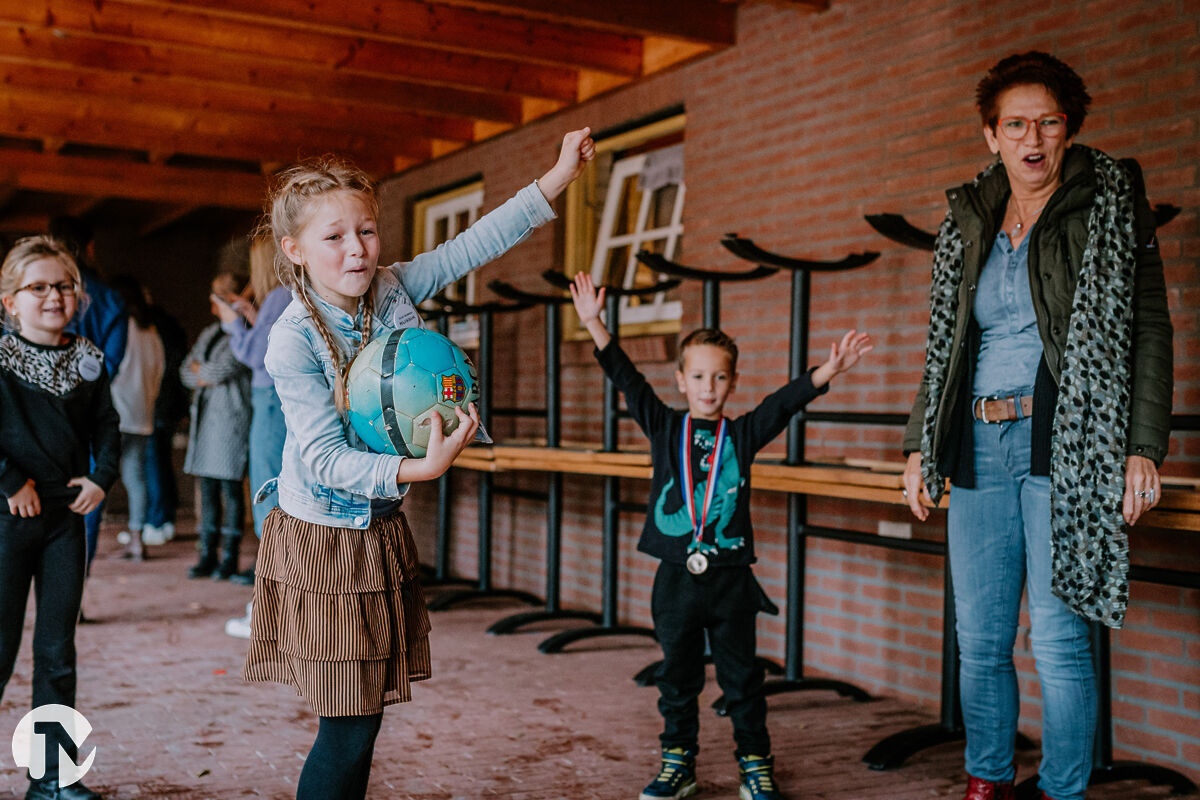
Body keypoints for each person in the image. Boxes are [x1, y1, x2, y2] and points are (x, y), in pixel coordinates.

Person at [243, 127, 595, 800]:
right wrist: (419, 473)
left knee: (364, 720)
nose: (357, 249)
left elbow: (474, 243)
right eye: (335, 237)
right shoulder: (291, 341)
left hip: (376, 527)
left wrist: (556, 179)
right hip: (323, 537)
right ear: (294, 250)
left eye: (367, 231)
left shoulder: (391, 284)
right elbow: (321, 458)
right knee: (347, 726)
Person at [900, 52, 1173, 800]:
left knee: (1057, 638)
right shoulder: (970, 217)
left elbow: (1150, 326)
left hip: (1068, 439)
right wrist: (919, 446)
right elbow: (946, 343)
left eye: (1048, 122)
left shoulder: (1110, 202)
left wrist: (1143, 446)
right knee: (981, 640)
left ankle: (1062, 791)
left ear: (1068, 129)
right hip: (978, 442)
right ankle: (987, 778)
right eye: (1015, 123)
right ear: (991, 135)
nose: (1033, 138)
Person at [569, 272, 872, 800]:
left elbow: (783, 404)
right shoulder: (665, 427)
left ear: (732, 383)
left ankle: (755, 767)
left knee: (742, 682)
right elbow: (627, 380)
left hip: (731, 582)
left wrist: (826, 371)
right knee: (677, 680)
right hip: (676, 581)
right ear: (683, 381)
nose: (710, 388)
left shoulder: (743, 433)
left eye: (721, 378)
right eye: (700, 377)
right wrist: (595, 323)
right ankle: (677, 764)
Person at [0, 236, 120, 800]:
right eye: (39, 287)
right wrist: (8, 481)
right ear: (10, 301)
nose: (54, 296)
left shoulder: (89, 360)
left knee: (56, 653)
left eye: (64, 286)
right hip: (6, 517)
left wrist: (102, 478)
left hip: (64, 522)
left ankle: (51, 780)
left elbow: (108, 428)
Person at [218, 235, 291, 637]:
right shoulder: (290, 297)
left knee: (268, 498)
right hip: (279, 401)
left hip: (269, 401)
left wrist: (233, 327)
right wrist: (250, 315)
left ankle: (269, 608)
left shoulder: (280, 296)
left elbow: (255, 355)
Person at [49, 216, 127, 569]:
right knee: (88, 495)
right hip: (89, 411)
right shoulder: (110, 299)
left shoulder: (40, 297)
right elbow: (112, 362)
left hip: (43, 408)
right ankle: (75, 581)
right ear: (90, 248)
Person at [180, 273, 252, 581]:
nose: (213, 302)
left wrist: (201, 371)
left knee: (230, 491)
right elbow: (185, 371)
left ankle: (229, 558)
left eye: (219, 295)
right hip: (206, 422)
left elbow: (221, 370)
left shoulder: (245, 333)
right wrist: (200, 372)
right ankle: (206, 554)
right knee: (206, 491)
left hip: (230, 422)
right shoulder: (210, 333)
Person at [108, 276, 165, 561]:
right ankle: (136, 540)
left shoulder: (120, 327)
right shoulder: (150, 330)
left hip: (116, 412)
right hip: (142, 413)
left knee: (99, 476)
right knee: (136, 479)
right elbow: (159, 371)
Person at [142, 298, 188, 546]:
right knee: (160, 462)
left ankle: (156, 521)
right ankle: (164, 518)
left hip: (155, 403)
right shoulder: (169, 325)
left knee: (153, 464)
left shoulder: (148, 327)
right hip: (168, 403)